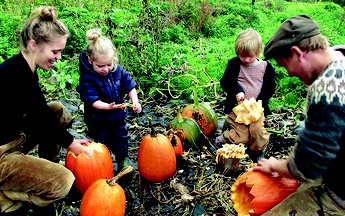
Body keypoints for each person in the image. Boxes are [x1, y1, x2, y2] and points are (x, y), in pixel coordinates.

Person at [0, 6, 93, 214]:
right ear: (34, 45)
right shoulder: (17, 76)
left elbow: (41, 112)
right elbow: (41, 116)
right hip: (2, 154)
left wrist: (70, 141)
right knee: (64, 181)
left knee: (57, 111)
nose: (59, 57)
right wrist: (72, 144)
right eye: (55, 51)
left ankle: (44, 167)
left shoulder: (24, 67)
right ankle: (6, 195)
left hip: (13, 138)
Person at [253, 14, 345, 215]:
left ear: (297, 53)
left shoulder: (328, 86)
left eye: (286, 65)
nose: (289, 73)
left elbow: (309, 166)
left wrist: (276, 166)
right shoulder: (341, 56)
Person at [77, 28, 142, 172]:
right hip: (97, 120)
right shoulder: (87, 78)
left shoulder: (117, 71)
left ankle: (121, 162)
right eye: (100, 66)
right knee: (102, 144)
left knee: (121, 140)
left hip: (117, 117)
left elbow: (130, 85)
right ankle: (103, 167)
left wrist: (135, 101)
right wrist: (107, 107)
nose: (105, 69)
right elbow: (91, 100)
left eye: (109, 64)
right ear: (90, 60)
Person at [215, 28, 276, 162]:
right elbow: (226, 82)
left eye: (250, 56)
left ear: (258, 52)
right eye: (242, 56)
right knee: (242, 136)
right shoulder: (234, 64)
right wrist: (237, 90)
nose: (246, 60)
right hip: (238, 108)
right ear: (237, 53)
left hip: (256, 109)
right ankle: (225, 138)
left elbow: (270, 87)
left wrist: (260, 101)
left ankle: (257, 150)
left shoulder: (266, 67)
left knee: (257, 131)